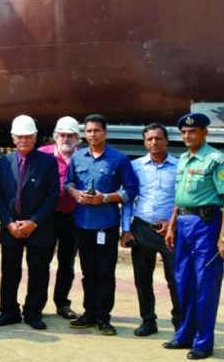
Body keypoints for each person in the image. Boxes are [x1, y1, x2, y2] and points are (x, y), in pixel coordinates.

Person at [162, 113, 224, 360]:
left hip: (206, 225)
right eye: (183, 132)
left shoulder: (217, 160)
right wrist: (172, 226)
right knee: (183, 282)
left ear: (205, 132)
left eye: (192, 131)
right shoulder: (183, 160)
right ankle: (184, 335)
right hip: (183, 223)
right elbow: (178, 198)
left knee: (205, 284)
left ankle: (203, 343)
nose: (187, 135)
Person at [64, 113, 138, 336]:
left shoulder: (118, 159)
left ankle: (103, 317)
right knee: (88, 272)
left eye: (96, 130)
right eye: (88, 131)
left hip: (106, 225)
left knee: (106, 272)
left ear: (105, 132)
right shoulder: (78, 158)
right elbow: (68, 183)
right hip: (82, 224)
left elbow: (131, 190)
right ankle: (89, 313)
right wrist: (76, 193)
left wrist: (105, 198)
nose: (92, 135)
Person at [0, 115, 60, 330]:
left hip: (38, 228)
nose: (24, 140)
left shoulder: (48, 162)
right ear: (13, 138)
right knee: (10, 271)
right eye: (20, 137)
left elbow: (52, 197)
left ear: (35, 137)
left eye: (28, 137)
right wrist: (9, 222)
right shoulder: (3, 163)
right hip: (11, 228)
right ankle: (8, 311)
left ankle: (33, 313)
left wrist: (34, 222)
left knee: (38, 272)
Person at [121, 123, 181, 337]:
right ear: (144, 142)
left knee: (176, 279)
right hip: (142, 228)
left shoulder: (180, 165)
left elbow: (184, 198)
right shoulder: (135, 166)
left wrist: (173, 223)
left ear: (167, 140)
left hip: (171, 231)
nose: (154, 143)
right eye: (149, 139)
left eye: (158, 138)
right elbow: (128, 199)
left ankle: (179, 323)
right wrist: (126, 229)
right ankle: (148, 320)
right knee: (142, 278)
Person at [38, 115, 80, 320]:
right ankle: (37, 304)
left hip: (72, 218)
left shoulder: (83, 157)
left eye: (70, 135)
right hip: (47, 217)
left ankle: (62, 303)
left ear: (77, 138)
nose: (66, 138)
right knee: (41, 261)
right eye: (62, 134)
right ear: (56, 136)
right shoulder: (42, 155)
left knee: (67, 263)